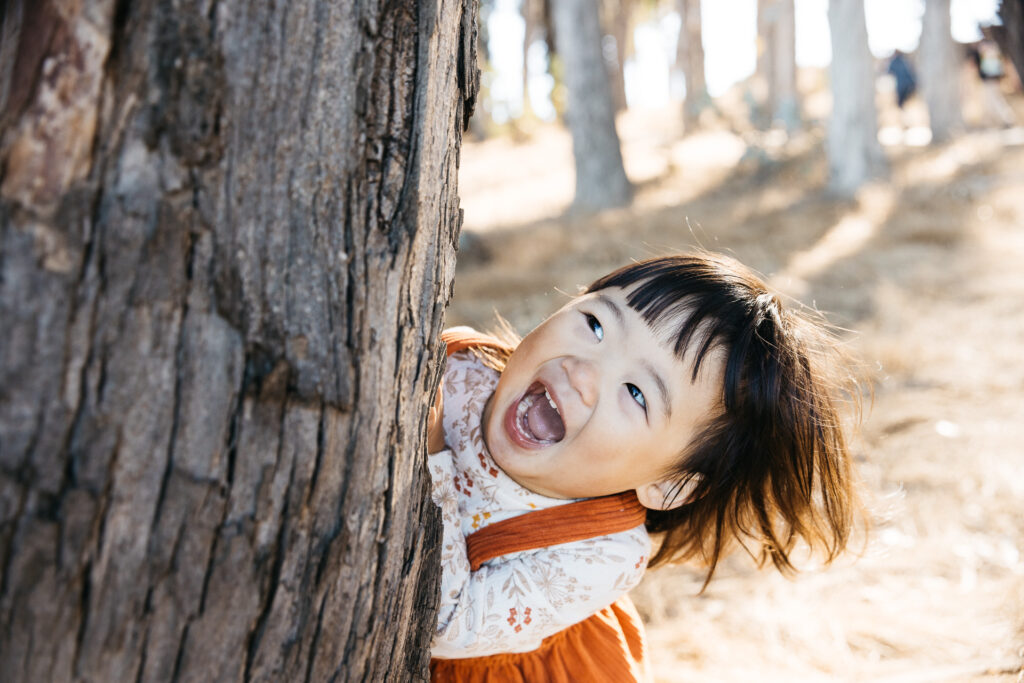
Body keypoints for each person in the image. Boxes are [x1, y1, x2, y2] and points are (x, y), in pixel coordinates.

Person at [426, 252, 863, 681]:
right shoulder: (457, 365)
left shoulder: (601, 553)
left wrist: (432, 456)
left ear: (669, 486)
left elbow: (446, 624)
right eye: (595, 325)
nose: (583, 372)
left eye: (636, 393)